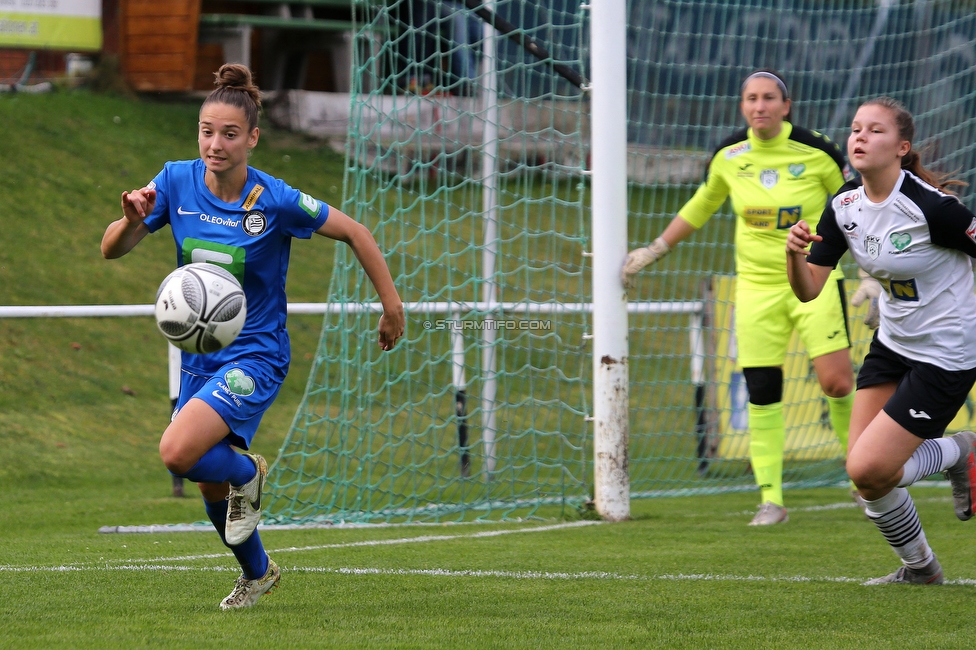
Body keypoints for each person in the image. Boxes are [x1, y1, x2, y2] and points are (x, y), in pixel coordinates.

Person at [100, 63, 405, 608]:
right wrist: (129, 220)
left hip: (256, 356)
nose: (215, 144)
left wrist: (392, 305)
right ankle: (258, 572)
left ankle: (249, 470)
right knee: (205, 479)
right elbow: (110, 250)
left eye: (229, 134)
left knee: (177, 452)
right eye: (206, 131)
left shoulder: (275, 199)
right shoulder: (172, 180)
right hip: (201, 358)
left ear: (253, 138)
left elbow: (355, 232)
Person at [621, 69, 861, 526]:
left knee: (837, 383)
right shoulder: (729, 156)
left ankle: (861, 478)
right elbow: (701, 204)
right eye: (751, 98)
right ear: (742, 106)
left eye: (769, 98)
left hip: (815, 282)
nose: (760, 106)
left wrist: (868, 272)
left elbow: (856, 205)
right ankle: (771, 499)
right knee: (762, 391)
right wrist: (655, 249)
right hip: (754, 290)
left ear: (786, 105)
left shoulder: (819, 152)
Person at [786, 96, 976, 585]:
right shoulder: (844, 206)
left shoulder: (934, 208)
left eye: (874, 130)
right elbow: (809, 290)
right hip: (893, 344)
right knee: (865, 476)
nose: (859, 138)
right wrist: (794, 254)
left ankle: (961, 452)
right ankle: (921, 570)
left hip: (947, 353)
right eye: (855, 129)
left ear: (901, 147)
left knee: (871, 467)